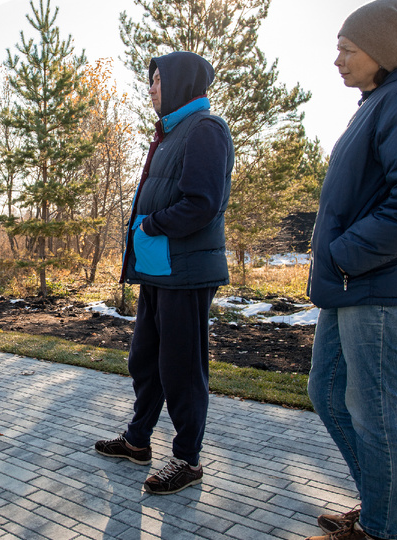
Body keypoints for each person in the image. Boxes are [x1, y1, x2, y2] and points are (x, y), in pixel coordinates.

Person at [304, 1, 397, 539]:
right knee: (326, 391)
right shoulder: (380, 99)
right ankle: (378, 507)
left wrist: (343, 254)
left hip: (379, 287)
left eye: (348, 48)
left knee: (374, 414)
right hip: (354, 284)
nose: (337, 59)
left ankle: (382, 529)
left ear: (382, 51)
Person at [93, 51, 234, 495]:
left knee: (182, 369)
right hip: (159, 269)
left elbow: (203, 202)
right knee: (146, 359)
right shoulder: (171, 132)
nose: (150, 87)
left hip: (186, 271)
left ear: (179, 83)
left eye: (157, 80)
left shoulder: (205, 130)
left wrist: (150, 225)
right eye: (151, 80)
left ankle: (187, 459)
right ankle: (138, 441)